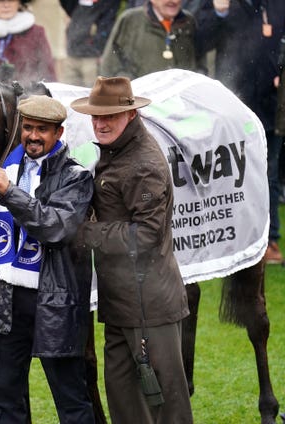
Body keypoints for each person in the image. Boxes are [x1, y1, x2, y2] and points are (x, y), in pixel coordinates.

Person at [72, 76, 192, 423]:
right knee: (127, 409)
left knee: (167, 411)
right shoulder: (118, 151)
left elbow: (146, 235)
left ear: (131, 115)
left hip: (151, 310)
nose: (101, 122)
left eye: (109, 115)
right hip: (123, 305)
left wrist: (87, 234)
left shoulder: (143, 163)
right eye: (96, 116)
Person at [0, 95, 94, 423]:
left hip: (54, 300)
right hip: (5, 298)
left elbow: (54, 227)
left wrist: (8, 191)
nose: (33, 136)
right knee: (6, 399)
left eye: (42, 130)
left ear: (59, 133)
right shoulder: (5, 169)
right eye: (28, 128)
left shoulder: (76, 176)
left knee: (71, 400)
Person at [193, 0, 285, 264]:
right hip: (231, 104)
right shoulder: (222, 4)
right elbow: (200, 42)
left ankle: (269, 239)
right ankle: (227, 238)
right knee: (228, 172)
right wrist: (220, 12)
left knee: (268, 173)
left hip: (270, 103)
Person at [100, 0, 198, 79]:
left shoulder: (188, 21)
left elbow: (199, 60)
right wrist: (129, 86)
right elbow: (110, 64)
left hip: (179, 96)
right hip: (139, 97)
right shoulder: (130, 19)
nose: (174, 1)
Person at [0, 0, 56, 84]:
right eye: (0, 0)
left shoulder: (36, 33)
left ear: (20, 2)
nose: (6, 5)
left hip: (29, 94)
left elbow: (48, 74)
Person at [59, 0, 119, 86]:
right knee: (69, 92)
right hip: (72, 54)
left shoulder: (108, 4)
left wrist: (102, 51)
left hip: (92, 57)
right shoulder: (75, 4)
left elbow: (107, 26)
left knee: (92, 93)